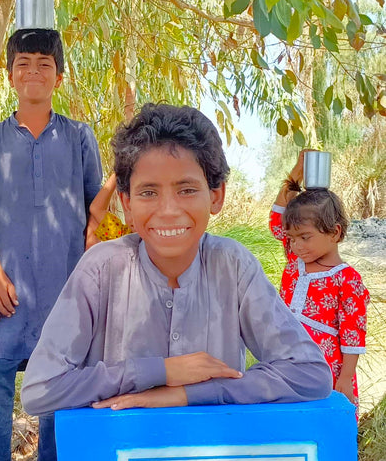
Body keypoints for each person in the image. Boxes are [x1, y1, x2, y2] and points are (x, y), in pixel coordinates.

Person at [20, 103, 332, 415]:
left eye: (186, 190)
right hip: (116, 456)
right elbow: (39, 390)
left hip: (211, 460)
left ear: (216, 196)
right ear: (126, 204)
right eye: (148, 193)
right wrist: (160, 371)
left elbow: (310, 374)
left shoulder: (233, 266)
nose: (168, 210)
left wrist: (191, 393)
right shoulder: (101, 269)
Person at [0, 27, 103, 461]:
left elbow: (94, 209)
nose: (34, 71)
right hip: (8, 289)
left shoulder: (80, 137)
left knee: (61, 384)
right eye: (24, 63)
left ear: (59, 77)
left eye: (45, 63)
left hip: (66, 289)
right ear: (10, 73)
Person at [270, 153, 369, 413]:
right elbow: (276, 220)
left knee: (324, 425)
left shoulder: (347, 280)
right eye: (292, 238)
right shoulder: (296, 259)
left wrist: (345, 379)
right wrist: (296, 172)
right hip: (286, 362)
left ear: (334, 232)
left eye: (305, 237)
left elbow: (352, 335)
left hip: (327, 371)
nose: (296, 244)